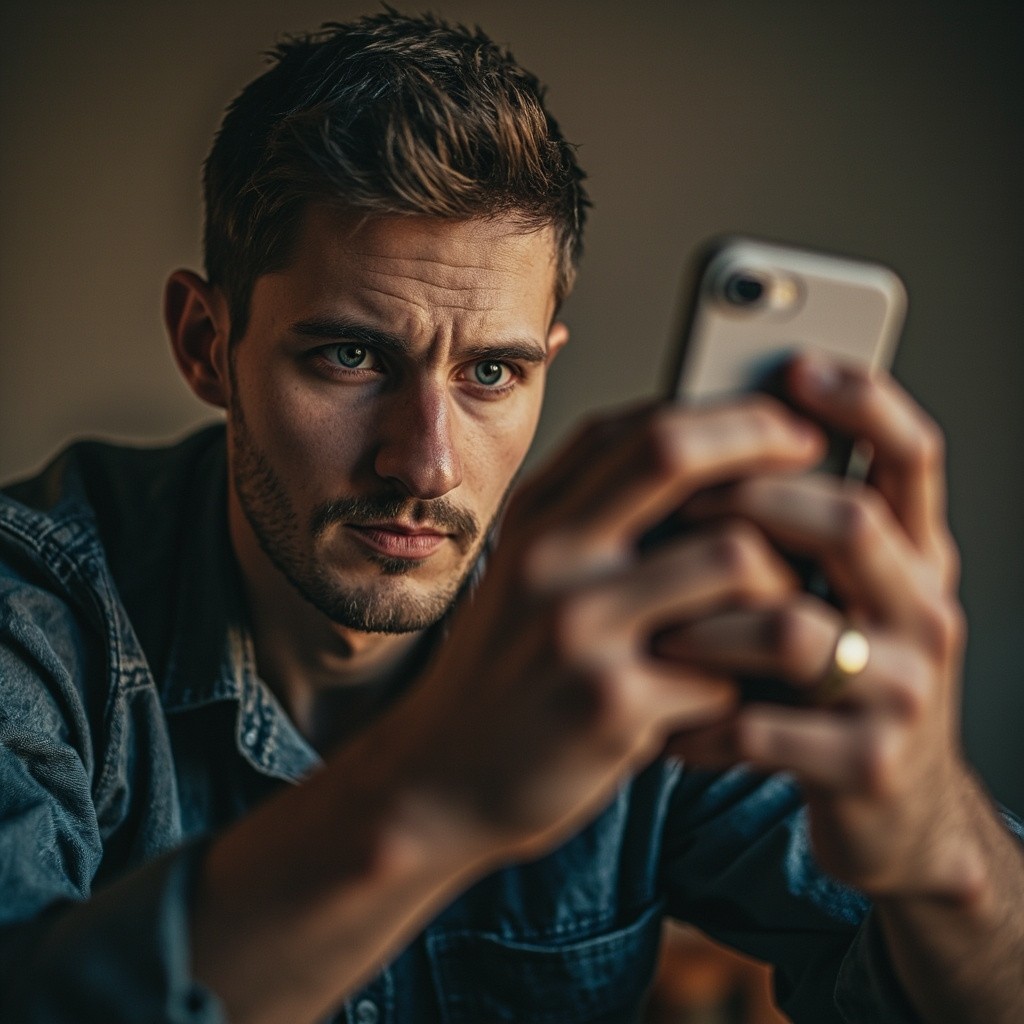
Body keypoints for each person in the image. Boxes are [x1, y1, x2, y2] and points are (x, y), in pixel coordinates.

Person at [0, 10, 1021, 1023]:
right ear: (205, 343)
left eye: (490, 372)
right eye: (350, 357)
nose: (425, 463)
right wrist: (439, 794)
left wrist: (945, 853)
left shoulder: (644, 640)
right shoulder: (35, 619)